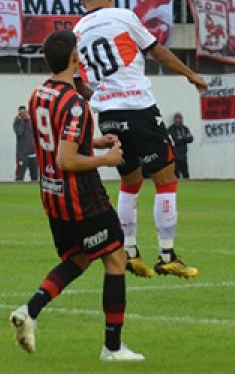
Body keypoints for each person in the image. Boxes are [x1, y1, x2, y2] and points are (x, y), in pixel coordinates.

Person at [10, 30, 143, 362]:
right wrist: (107, 159)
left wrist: (93, 142)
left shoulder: (38, 94)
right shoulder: (76, 104)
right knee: (116, 259)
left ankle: (30, 310)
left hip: (52, 196)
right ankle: (112, 349)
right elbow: (66, 159)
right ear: (75, 58)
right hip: (81, 198)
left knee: (79, 258)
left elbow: (55, 141)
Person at [73, 0, 208, 279]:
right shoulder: (122, 16)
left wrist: (102, 98)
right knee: (166, 179)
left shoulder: (78, 31)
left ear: (84, 1)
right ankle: (167, 254)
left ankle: (130, 251)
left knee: (130, 182)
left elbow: (79, 82)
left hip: (107, 115)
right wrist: (191, 75)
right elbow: (156, 51)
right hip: (139, 109)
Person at [12, 105, 38, 181]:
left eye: (25, 112)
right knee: (20, 176)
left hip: (33, 154)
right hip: (22, 154)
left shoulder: (32, 122)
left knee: (35, 176)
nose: (24, 115)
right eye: (21, 113)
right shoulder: (17, 123)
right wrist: (21, 122)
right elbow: (19, 133)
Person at [167, 112, 193, 179]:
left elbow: (190, 139)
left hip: (183, 154)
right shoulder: (171, 129)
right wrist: (184, 138)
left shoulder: (185, 128)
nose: (178, 120)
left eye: (179, 118)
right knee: (176, 173)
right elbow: (173, 140)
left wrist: (181, 138)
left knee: (185, 173)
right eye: (176, 118)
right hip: (174, 154)